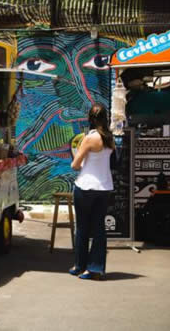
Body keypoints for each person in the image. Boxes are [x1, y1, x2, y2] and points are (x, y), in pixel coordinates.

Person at [70, 103, 114, 280]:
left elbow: (75, 164)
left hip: (86, 186)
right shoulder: (109, 138)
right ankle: (95, 268)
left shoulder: (89, 138)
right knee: (98, 229)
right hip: (105, 187)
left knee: (82, 228)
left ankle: (79, 265)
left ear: (90, 119)